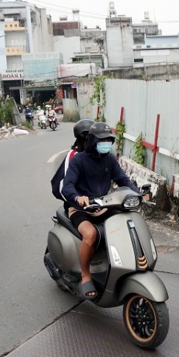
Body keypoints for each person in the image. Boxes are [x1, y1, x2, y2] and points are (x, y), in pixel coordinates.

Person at [60, 121, 143, 298]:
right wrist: (77, 197)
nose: (106, 143)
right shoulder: (79, 160)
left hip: (103, 206)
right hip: (80, 208)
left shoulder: (109, 159)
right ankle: (85, 275)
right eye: (101, 140)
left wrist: (137, 194)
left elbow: (123, 180)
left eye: (108, 140)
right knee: (90, 235)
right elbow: (67, 186)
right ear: (91, 141)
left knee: (126, 225)